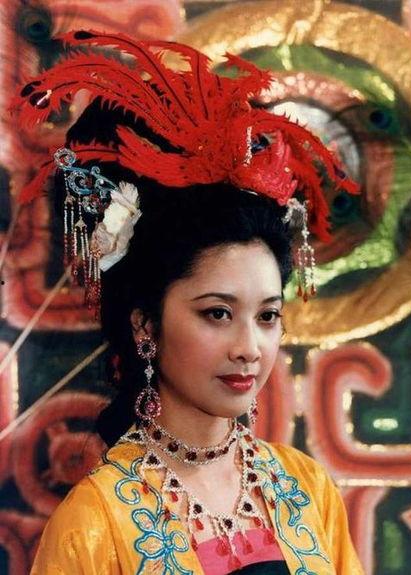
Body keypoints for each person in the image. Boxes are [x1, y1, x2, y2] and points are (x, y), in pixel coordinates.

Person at [13, 31, 364, 574]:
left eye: (267, 316)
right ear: (145, 324)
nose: (249, 348)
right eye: (217, 313)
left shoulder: (306, 488)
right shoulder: (96, 522)